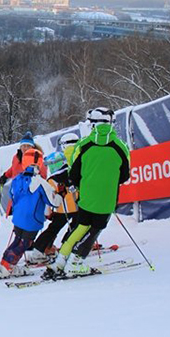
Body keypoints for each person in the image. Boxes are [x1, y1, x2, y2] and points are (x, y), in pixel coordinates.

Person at [47, 107, 130, 277]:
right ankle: (76, 262)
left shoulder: (83, 145)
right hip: (107, 199)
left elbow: (74, 174)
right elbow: (124, 176)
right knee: (94, 231)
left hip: (85, 197)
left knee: (80, 228)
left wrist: (83, 185)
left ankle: (61, 260)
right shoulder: (120, 147)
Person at [0, 165, 61, 277]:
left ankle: (4, 262)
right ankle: (9, 266)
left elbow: (11, 194)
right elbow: (53, 201)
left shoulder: (17, 179)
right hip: (32, 218)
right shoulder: (40, 182)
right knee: (25, 243)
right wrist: (60, 195)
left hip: (18, 216)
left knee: (17, 240)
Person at [26, 140, 81, 264]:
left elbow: (49, 198)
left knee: (53, 229)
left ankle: (38, 249)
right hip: (76, 206)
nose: (49, 167)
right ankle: (66, 246)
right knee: (75, 227)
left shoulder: (52, 179)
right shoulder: (72, 172)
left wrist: (48, 212)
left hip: (61, 209)